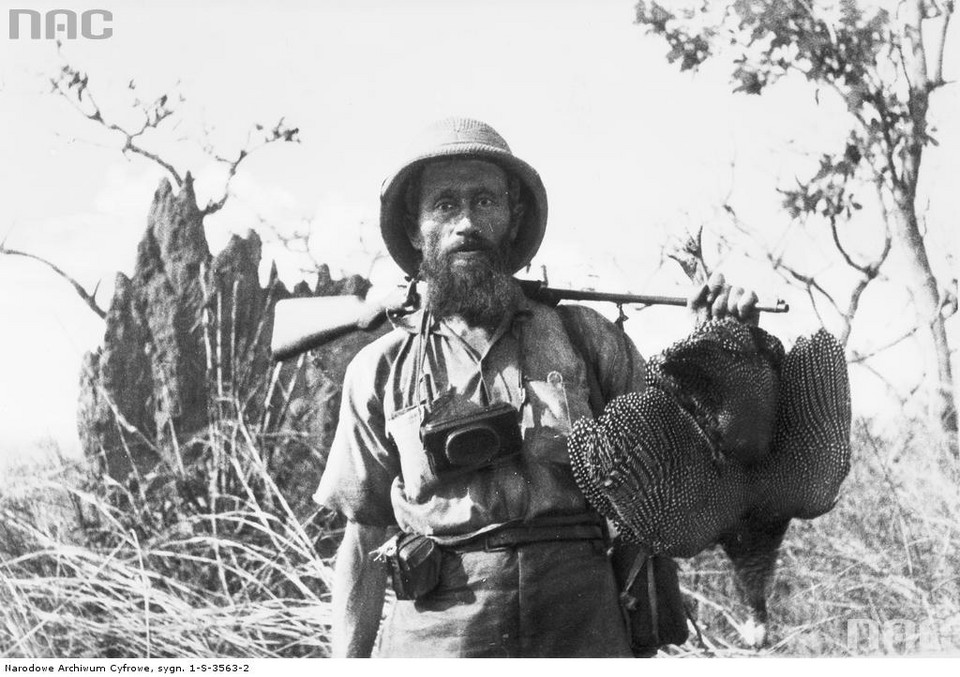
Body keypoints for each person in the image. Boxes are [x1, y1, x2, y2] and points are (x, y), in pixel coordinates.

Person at [313, 117, 759, 657]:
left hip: (580, 625)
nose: (466, 224)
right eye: (445, 205)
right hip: (438, 639)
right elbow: (361, 544)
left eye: (484, 202)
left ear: (513, 216)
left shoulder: (585, 338)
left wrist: (719, 344)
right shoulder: (381, 367)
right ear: (415, 229)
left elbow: (679, 475)